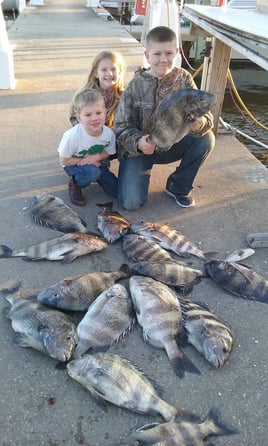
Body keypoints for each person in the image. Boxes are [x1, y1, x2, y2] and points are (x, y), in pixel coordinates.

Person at [114, 26, 215, 210]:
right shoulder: (135, 85)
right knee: (131, 203)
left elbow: (206, 116)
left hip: (171, 143)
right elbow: (120, 126)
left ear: (176, 53)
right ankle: (137, 174)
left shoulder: (184, 78)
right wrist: (139, 142)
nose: (163, 59)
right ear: (147, 55)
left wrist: (200, 123)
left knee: (206, 138)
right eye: (157, 53)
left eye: (168, 53)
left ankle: (178, 186)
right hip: (141, 149)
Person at [57, 88, 118, 206]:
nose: (94, 118)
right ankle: (75, 183)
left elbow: (109, 152)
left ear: (105, 112)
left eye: (98, 113)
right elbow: (64, 160)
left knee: (117, 192)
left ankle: (98, 176)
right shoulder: (72, 136)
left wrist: (96, 157)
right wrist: (86, 162)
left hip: (99, 163)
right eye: (88, 115)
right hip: (73, 164)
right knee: (92, 172)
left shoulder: (108, 134)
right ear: (79, 118)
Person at [70, 51, 124, 129]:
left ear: (120, 72)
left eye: (113, 69)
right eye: (104, 70)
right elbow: (74, 117)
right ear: (96, 73)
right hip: (89, 137)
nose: (109, 73)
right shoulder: (85, 95)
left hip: (115, 138)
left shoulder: (125, 96)